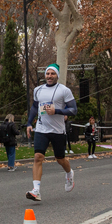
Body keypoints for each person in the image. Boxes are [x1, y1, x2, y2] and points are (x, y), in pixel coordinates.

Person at [25, 64, 76, 202]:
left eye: (53, 74)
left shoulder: (64, 90)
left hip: (58, 130)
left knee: (60, 159)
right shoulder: (38, 90)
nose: (49, 76)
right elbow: (35, 107)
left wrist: (57, 111)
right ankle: (36, 190)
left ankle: (69, 173)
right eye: (48, 73)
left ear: (57, 76)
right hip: (41, 129)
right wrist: (29, 123)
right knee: (38, 157)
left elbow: (73, 110)